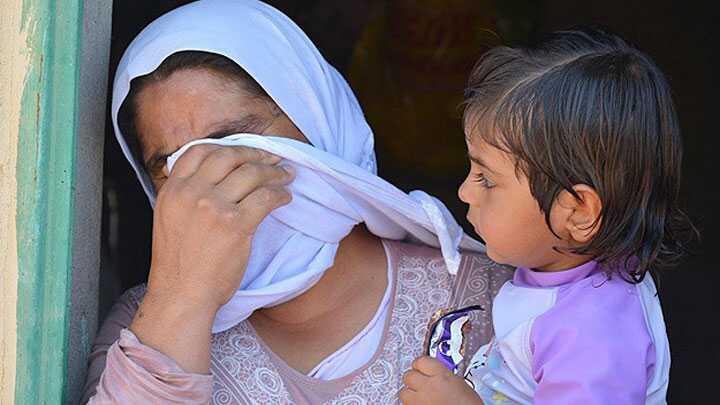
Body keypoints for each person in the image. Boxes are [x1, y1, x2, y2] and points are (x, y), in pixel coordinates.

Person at [81, 0, 512, 403]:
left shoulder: (495, 295)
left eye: (232, 137)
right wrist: (182, 297)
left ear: (318, 121)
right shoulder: (142, 327)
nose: (205, 183)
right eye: (169, 164)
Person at [399, 29, 696, 404]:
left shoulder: (593, 333)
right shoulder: (560, 273)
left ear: (577, 212)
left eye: (487, 179)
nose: (464, 192)